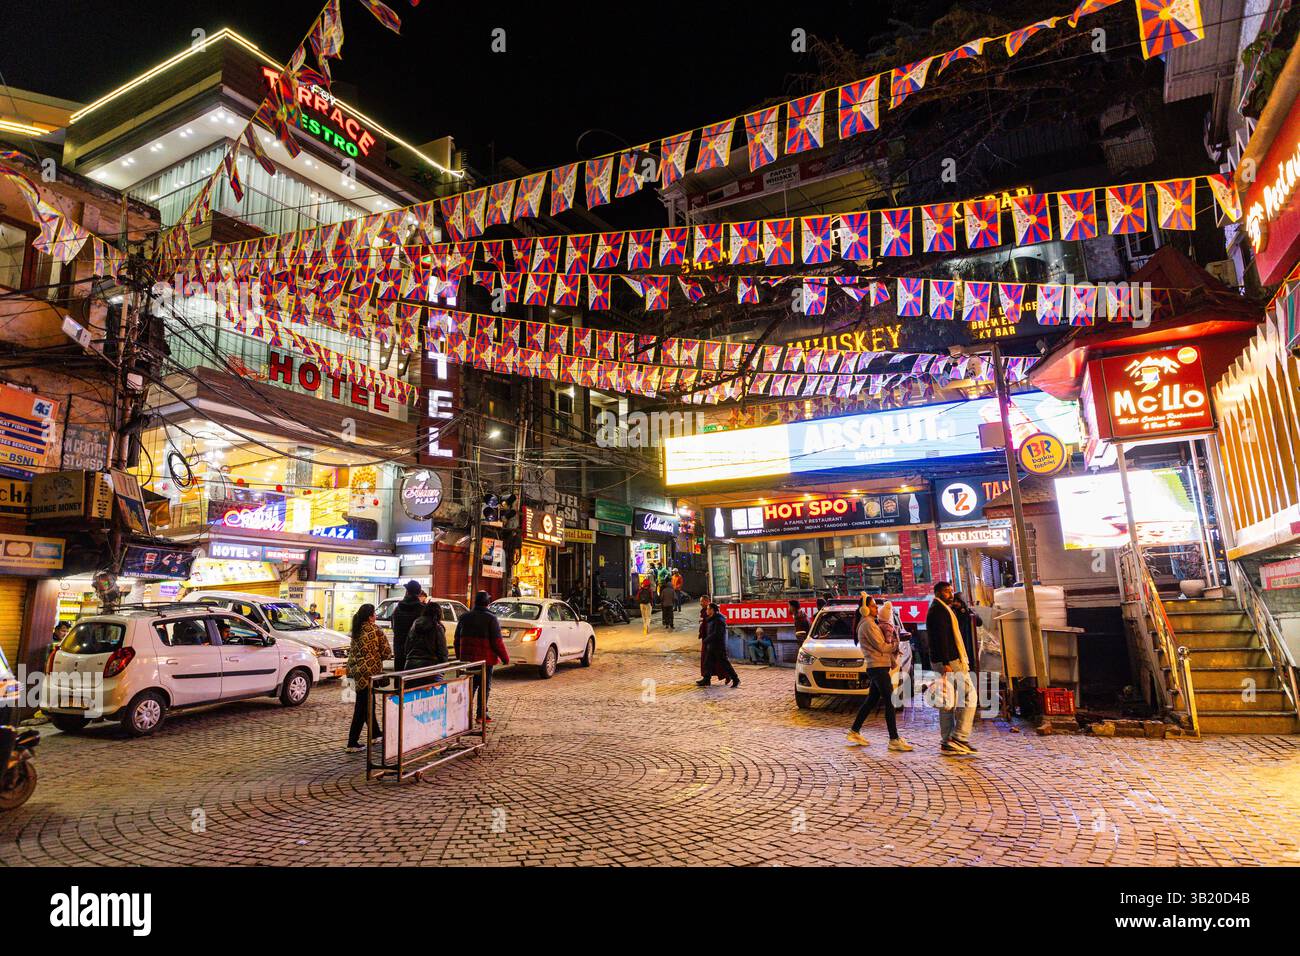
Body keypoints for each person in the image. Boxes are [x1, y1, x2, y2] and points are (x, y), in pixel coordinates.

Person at [846, 598, 913, 751]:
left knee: (871, 700)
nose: (877, 609)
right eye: (873, 606)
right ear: (865, 609)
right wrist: (896, 643)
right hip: (877, 667)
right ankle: (894, 739)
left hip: (878, 666)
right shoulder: (868, 625)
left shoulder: (870, 623)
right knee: (890, 701)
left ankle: (854, 731)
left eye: (876, 606)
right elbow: (882, 646)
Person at [927, 581, 977, 756]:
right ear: (938, 593)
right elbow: (941, 638)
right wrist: (946, 663)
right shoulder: (938, 611)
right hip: (950, 662)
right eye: (946, 591)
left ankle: (947, 741)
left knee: (947, 701)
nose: (950, 594)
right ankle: (959, 737)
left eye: (950, 591)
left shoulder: (941, 609)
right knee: (970, 695)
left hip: (944, 661)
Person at [454, 591, 510, 723]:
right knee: (484, 687)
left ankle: (463, 715)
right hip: (485, 660)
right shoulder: (491, 619)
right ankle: (481, 714)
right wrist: (505, 658)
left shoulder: (464, 617)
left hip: (468, 661)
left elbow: (457, 639)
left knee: (471, 686)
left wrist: (460, 656)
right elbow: (497, 642)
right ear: (488, 603)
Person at [346, 604, 392, 752]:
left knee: (367, 704)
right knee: (361, 707)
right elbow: (386, 652)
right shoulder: (376, 630)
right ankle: (352, 742)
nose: (376, 617)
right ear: (370, 616)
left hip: (354, 672)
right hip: (368, 674)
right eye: (374, 614)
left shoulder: (356, 630)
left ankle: (376, 733)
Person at [698, 603, 740, 688]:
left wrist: (706, 640)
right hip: (711, 645)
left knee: (724, 663)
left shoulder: (718, 620)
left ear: (712, 610)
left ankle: (735, 678)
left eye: (708, 609)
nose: (707, 611)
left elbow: (717, 633)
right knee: (707, 663)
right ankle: (706, 679)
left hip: (718, 646)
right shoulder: (711, 619)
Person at [390, 579, 423, 671]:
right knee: (415, 682)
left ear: (407, 591)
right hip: (417, 652)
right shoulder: (422, 610)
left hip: (400, 650)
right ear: (419, 592)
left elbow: (394, 628)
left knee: (401, 680)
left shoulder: (397, 609)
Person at [405, 601, 448, 671]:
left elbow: (407, 647)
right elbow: (442, 652)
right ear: (439, 613)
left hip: (410, 665)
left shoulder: (414, 625)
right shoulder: (437, 628)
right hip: (430, 667)